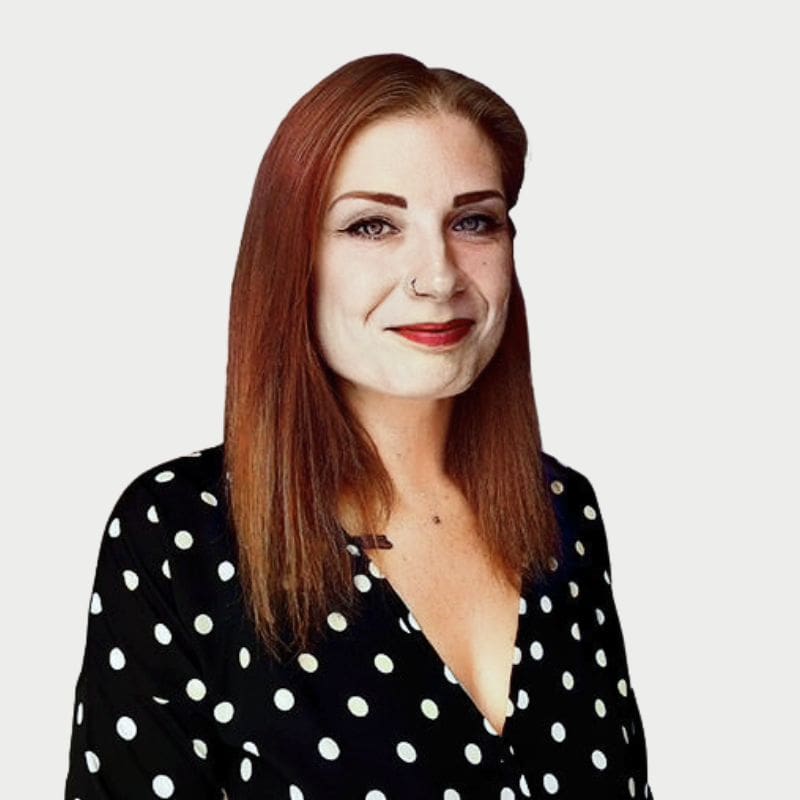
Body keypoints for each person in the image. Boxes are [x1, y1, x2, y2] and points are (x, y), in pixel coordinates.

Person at [64, 53, 653, 799]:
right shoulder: (180, 532)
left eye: (474, 221)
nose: (437, 276)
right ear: (293, 260)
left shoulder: (562, 510)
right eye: (373, 225)